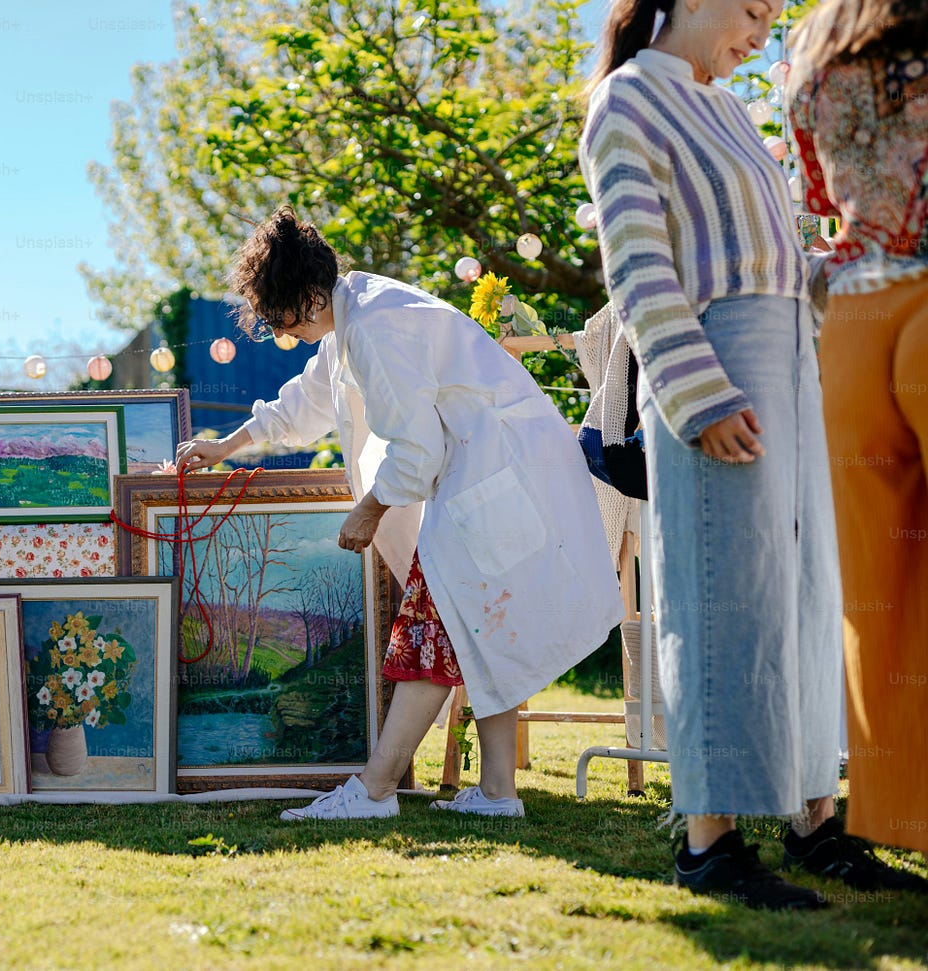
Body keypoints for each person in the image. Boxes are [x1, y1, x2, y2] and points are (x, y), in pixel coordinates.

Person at [582, 0, 920, 912]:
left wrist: (841, 266)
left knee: (805, 593)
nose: (762, 30)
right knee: (725, 595)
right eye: (751, 9)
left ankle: (815, 820)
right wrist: (698, 392)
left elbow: (770, 264)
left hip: (790, 368)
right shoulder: (627, 103)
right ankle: (710, 843)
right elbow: (639, 262)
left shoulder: (730, 112)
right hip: (718, 374)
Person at [175, 206, 622, 821]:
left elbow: (417, 449)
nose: (281, 331)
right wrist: (226, 446)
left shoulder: (378, 328)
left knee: (429, 626)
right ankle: (497, 793)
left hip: (498, 474)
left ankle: (376, 790)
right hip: (487, 475)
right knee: (481, 627)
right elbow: (305, 401)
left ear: (307, 297)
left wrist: (369, 510)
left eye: (280, 317)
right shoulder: (354, 317)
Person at [788, 0, 928, 870]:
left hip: (854, 320)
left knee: (878, 597)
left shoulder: (816, 44)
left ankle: (905, 813)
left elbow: (813, 192)